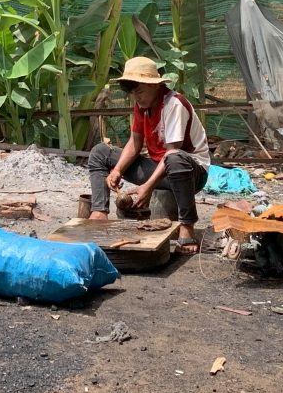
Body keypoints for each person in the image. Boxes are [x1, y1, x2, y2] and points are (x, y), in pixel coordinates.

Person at [87, 56, 210, 254]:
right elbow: (135, 143)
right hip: (159, 168)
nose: (137, 96)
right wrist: (117, 170)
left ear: (153, 86)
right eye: (133, 92)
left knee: (174, 158)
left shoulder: (174, 104)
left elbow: (172, 152)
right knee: (100, 152)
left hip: (190, 173)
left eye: (140, 91)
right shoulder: (142, 106)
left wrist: (147, 187)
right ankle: (99, 212)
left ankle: (187, 226)